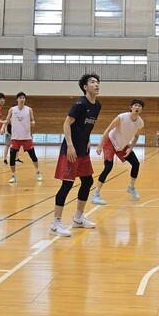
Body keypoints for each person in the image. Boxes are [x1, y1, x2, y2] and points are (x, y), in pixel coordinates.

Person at [50, 74, 101, 237]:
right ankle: (55, 223)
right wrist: (70, 146)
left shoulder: (97, 105)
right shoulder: (80, 104)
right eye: (92, 82)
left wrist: (88, 139)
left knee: (87, 181)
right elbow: (66, 124)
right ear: (85, 87)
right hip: (71, 149)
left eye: (97, 82)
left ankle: (78, 218)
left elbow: (86, 126)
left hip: (83, 149)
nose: (96, 84)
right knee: (67, 184)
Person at [91, 99, 145, 204]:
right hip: (110, 142)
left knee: (136, 164)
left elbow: (137, 136)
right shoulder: (122, 117)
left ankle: (131, 187)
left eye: (139, 106)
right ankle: (96, 194)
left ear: (141, 110)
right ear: (131, 107)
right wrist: (100, 145)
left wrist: (131, 148)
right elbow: (108, 130)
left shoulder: (140, 122)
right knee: (108, 167)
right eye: (135, 105)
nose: (137, 107)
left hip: (123, 145)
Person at [5, 92, 41, 183]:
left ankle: (38, 172)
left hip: (26, 137)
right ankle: (13, 176)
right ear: (17, 99)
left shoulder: (29, 109)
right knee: (12, 158)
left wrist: (33, 122)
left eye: (23, 98)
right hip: (15, 138)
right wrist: (3, 128)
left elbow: (33, 120)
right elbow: (7, 120)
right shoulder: (12, 109)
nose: (22, 99)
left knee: (33, 157)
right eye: (20, 98)